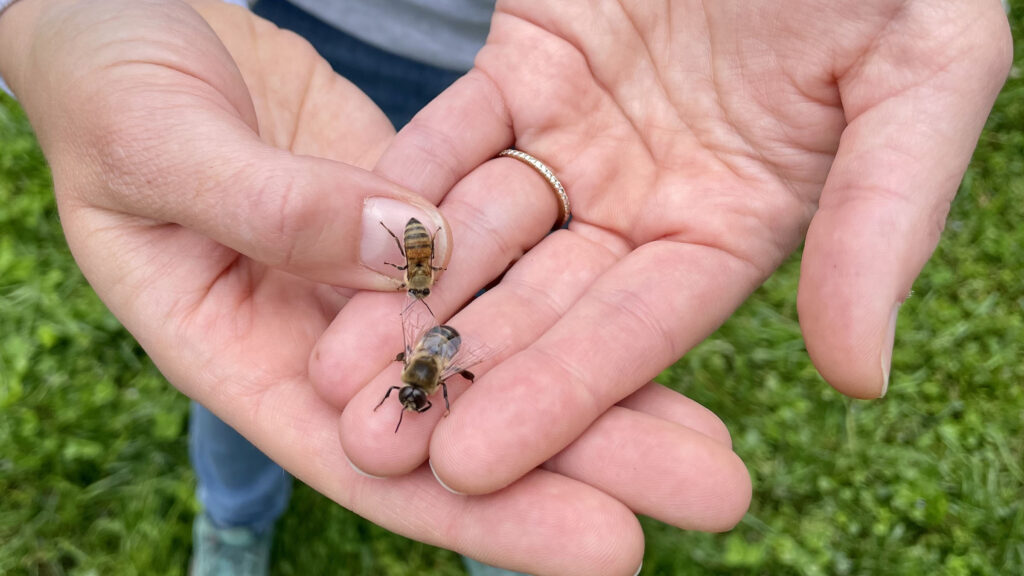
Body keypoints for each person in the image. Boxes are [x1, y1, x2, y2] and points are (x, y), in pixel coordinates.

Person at [0, 1, 1011, 576]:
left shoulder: (428, 360)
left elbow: (443, 352)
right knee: (284, 321)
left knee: (529, 339)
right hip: (295, 34)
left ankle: (498, 518)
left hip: (628, 72)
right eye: (420, 383)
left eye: (419, 385)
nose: (418, 380)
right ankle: (235, 512)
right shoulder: (423, 360)